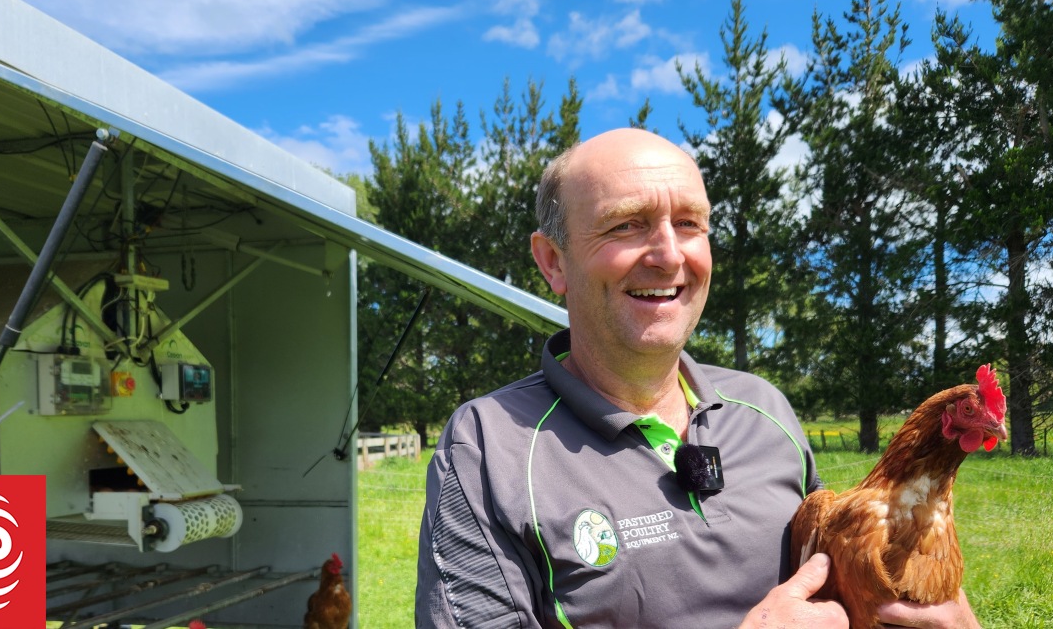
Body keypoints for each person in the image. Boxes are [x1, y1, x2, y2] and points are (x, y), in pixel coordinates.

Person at [416, 128, 979, 628]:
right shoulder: (489, 448)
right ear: (553, 262)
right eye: (626, 225)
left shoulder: (766, 410)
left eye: (689, 224)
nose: (667, 254)